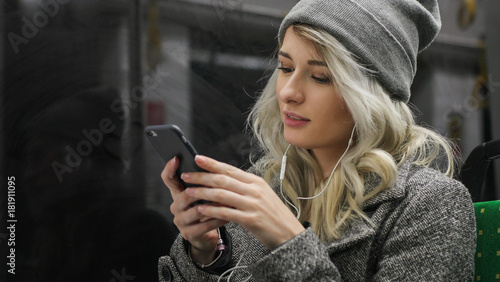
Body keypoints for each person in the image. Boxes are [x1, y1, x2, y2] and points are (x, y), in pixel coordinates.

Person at [158, 0, 476, 280]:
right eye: (285, 67)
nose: (287, 92)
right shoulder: (267, 186)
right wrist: (207, 254)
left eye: (320, 76)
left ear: (370, 97)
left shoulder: (430, 204)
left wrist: (290, 245)